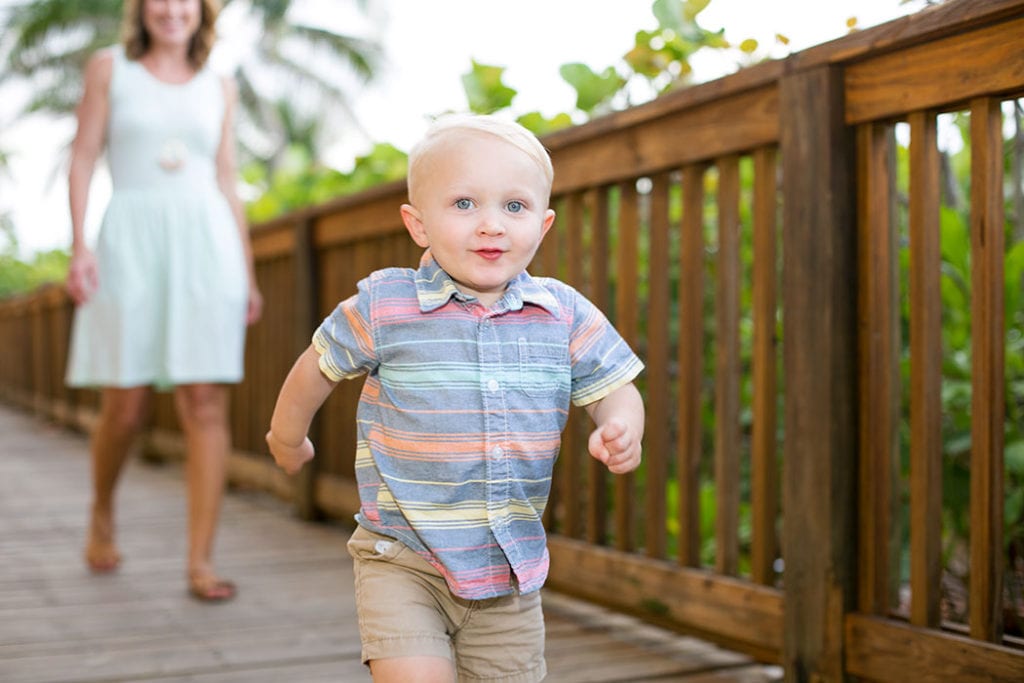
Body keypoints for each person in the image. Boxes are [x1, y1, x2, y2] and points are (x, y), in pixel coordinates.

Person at [266, 113, 645, 682]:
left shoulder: (561, 312)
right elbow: (315, 369)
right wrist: (286, 436)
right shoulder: (387, 306)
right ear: (418, 224)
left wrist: (620, 425)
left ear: (542, 227)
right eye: (464, 204)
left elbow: (615, 387)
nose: (491, 225)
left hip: (508, 573)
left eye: (513, 207)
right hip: (402, 555)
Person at [64, 0, 261, 603]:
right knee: (124, 404)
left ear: (202, 12)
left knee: (204, 402)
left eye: (186, 0)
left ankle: (201, 561)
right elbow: (83, 154)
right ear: (141, 8)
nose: (172, 9)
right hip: (130, 240)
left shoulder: (218, 84)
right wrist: (79, 246)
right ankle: (102, 510)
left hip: (207, 247)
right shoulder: (109, 69)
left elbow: (226, 177)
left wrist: (247, 273)